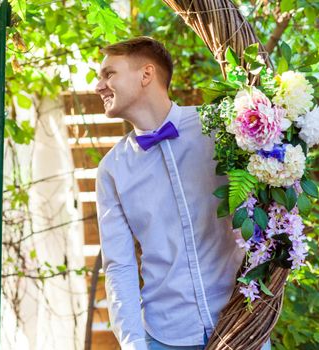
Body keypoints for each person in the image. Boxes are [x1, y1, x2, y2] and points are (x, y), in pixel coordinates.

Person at [94, 36, 256, 350]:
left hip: (243, 324)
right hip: (165, 337)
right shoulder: (112, 169)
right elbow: (120, 265)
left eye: (108, 74)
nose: (98, 85)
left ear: (146, 74)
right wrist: (133, 344)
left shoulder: (220, 128)